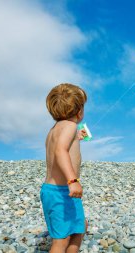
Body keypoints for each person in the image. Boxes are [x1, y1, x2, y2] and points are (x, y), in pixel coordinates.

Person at [40, 83, 88, 253]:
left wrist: (76, 139)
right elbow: (60, 151)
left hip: (59, 190)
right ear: (79, 111)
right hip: (60, 190)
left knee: (79, 227)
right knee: (61, 240)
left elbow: (61, 146)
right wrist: (73, 180)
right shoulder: (70, 126)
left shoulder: (55, 130)